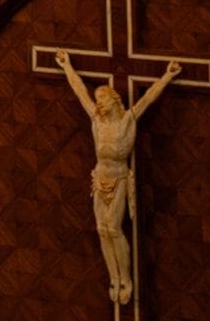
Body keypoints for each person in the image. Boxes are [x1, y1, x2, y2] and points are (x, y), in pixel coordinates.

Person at [56, 61, 182, 307]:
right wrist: (67, 67)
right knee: (101, 230)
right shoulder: (97, 121)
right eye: (98, 99)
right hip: (99, 178)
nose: (99, 102)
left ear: (114, 100)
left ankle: (126, 278)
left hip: (119, 178)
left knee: (114, 228)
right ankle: (113, 278)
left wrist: (167, 76)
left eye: (103, 98)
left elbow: (148, 98)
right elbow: (79, 90)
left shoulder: (127, 120)